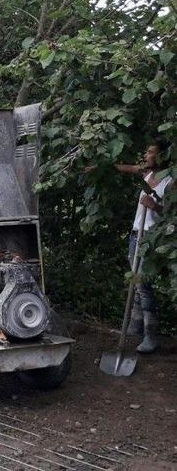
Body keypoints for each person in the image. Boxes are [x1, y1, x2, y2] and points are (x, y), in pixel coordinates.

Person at [112, 137, 173, 353]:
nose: (146, 156)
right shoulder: (147, 174)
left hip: (152, 238)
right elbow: (128, 168)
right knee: (136, 281)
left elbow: (172, 215)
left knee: (143, 286)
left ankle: (150, 335)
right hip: (135, 234)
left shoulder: (170, 182)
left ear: (162, 155)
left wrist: (155, 206)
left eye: (150, 152)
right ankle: (135, 326)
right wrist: (101, 168)